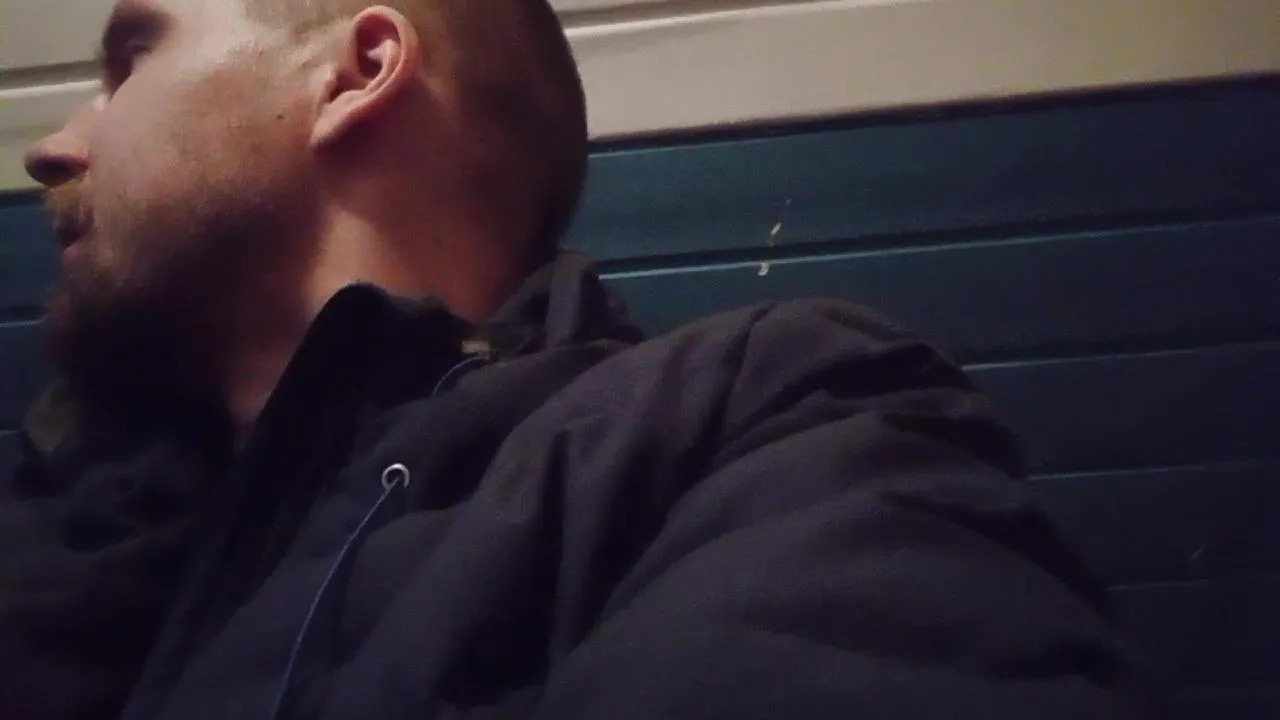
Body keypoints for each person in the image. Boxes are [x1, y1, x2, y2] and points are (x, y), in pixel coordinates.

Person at [1, 0, 1147, 718]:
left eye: (131, 59)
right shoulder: (69, 505)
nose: (52, 148)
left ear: (355, 72)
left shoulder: (761, 423)